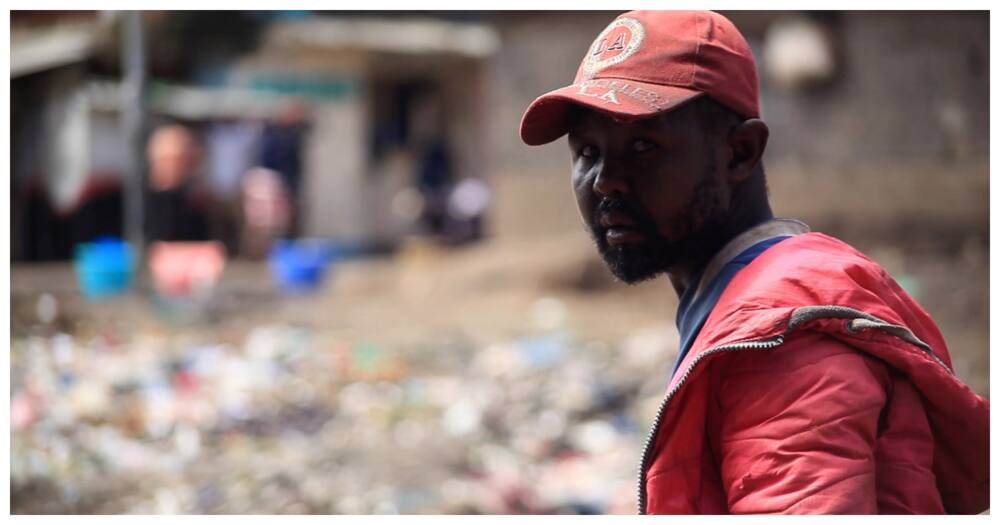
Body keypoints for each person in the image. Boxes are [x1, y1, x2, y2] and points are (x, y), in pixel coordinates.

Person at [519, 11, 988, 515]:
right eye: (588, 151)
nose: (606, 180)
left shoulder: (785, 349)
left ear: (741, 152)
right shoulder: (749, 300)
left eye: (643, 146)